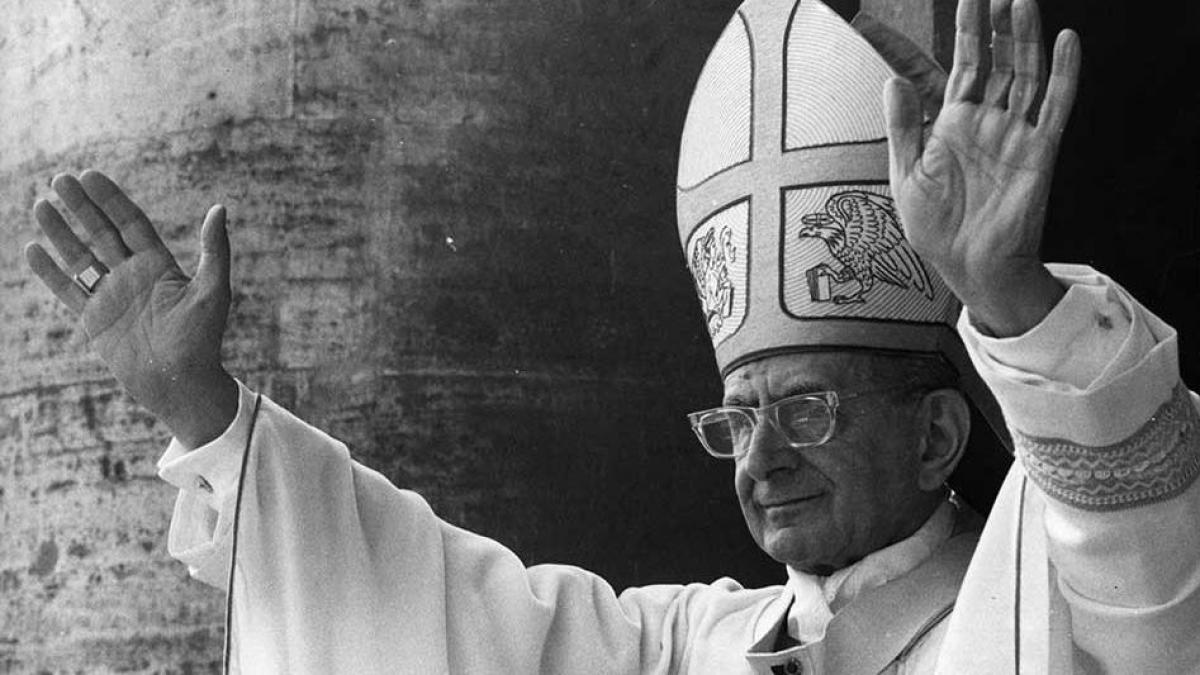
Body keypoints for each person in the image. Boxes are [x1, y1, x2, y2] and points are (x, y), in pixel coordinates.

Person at [22, 0, 1200, 672]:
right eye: (740, 418)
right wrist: (202, 410)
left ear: (943, 430)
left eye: (806, 411)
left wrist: (1004, 293)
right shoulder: (699, 645)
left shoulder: (1041, 608)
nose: (761, 458)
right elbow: (428, 615)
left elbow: (1133, 521)